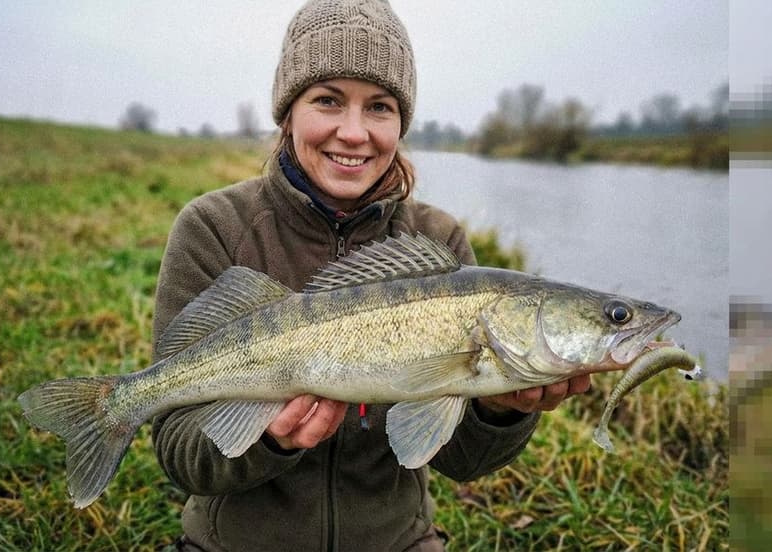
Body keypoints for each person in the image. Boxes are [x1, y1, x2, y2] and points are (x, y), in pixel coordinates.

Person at [152, 1, 590, 550]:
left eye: (379, 107)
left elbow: (463, 463)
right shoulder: (213, 227)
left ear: (401, 123)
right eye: (327, 100)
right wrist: (269, 440)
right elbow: (177, 450)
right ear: (288, 113)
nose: (354, 133)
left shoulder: (440, 241)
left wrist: (498, 408)